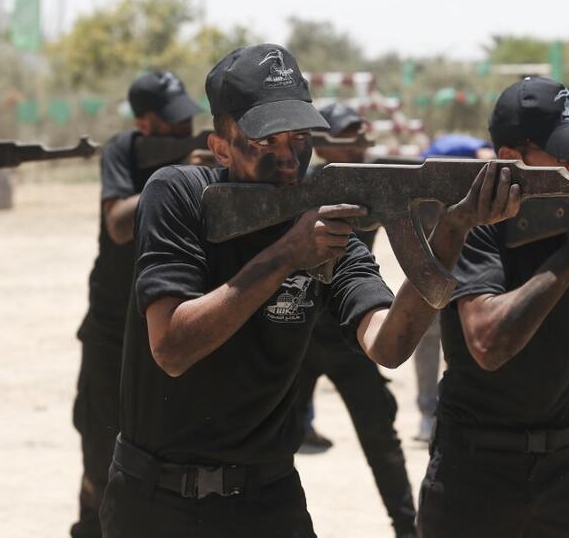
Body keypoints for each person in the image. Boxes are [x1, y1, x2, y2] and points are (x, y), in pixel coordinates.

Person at [99, 43, 520, 537]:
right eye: (265, 141)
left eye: (300, 137)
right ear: (221, 147)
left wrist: (452, 233)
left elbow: (388, 344)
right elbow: (170, 346)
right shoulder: (178, 194)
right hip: (157, 501)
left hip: (267, 498)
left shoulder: (326, 218)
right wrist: (287, 255)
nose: (287, 157)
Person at [417, 76, 569, 537]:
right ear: (511, 159)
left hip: (566, 472)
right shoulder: (469, 225)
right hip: (474, 476)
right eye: (564, 155)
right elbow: (489, 342)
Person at [70, 71, 202, 538]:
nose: (184, 128)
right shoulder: (123, 150)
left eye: (186, 116)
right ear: (144, 123)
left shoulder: (202, 150)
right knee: (101, 453)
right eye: (171, 121)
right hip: (113, 330)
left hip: (172, 326)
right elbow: (119, 224)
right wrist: (178, 178)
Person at [295, 102, 416, 537]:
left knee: (380, 436)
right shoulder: (301, 187)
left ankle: (406, 526)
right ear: (322, 143)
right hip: (300, 330)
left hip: (353, 326)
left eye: (362, 135)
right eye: (349, 135)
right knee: (266, 438)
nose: (360, 143)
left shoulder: (372, 181)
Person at [412, 133, 496, 443]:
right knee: (430, 338)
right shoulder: (461, 146)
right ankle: (426, 411)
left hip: (469, 267)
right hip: (440, 263)